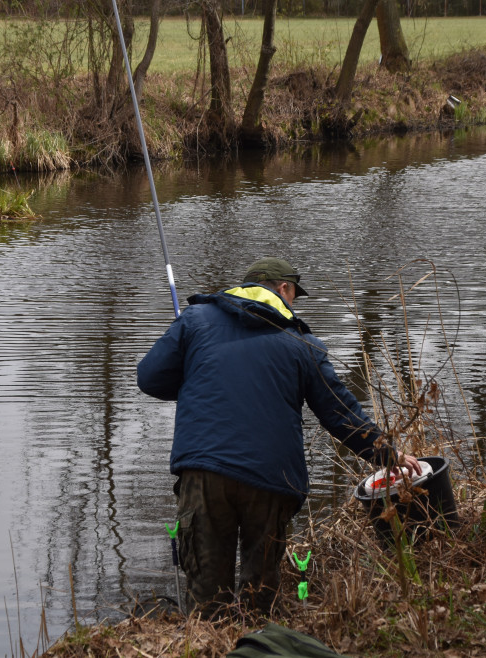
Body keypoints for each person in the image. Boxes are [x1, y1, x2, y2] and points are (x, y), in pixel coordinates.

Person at [137, 257, 421, 616]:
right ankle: (256, 639)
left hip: (204, 471)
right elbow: (340, 413)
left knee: (206, 596)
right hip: (271, 478)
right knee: (259, 595)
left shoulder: (194, 321)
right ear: (283, 288)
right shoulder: (302, 343)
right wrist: (388, 455)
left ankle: (207, 641)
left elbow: (149, 378)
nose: (293, 303)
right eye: (294, 295)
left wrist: (190, 373)